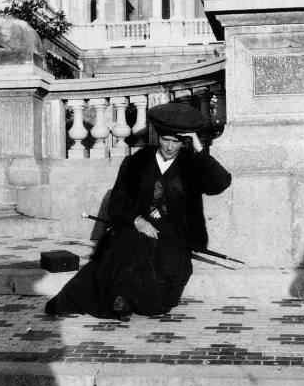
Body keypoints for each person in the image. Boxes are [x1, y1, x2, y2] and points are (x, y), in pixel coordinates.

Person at [45, 102, 232, 320]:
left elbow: (221, 182)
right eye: (166, 140)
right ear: (157, 136)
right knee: (127, 246)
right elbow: (117, 204)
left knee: (163, 273)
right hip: (135, 229)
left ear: (185, 142)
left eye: (177, 141)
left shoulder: (191, 165)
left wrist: (199, 148)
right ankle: (120, 299)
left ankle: (132, 299)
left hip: (172, 238)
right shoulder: (136, 162)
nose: (170, 147)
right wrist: (137, 221)